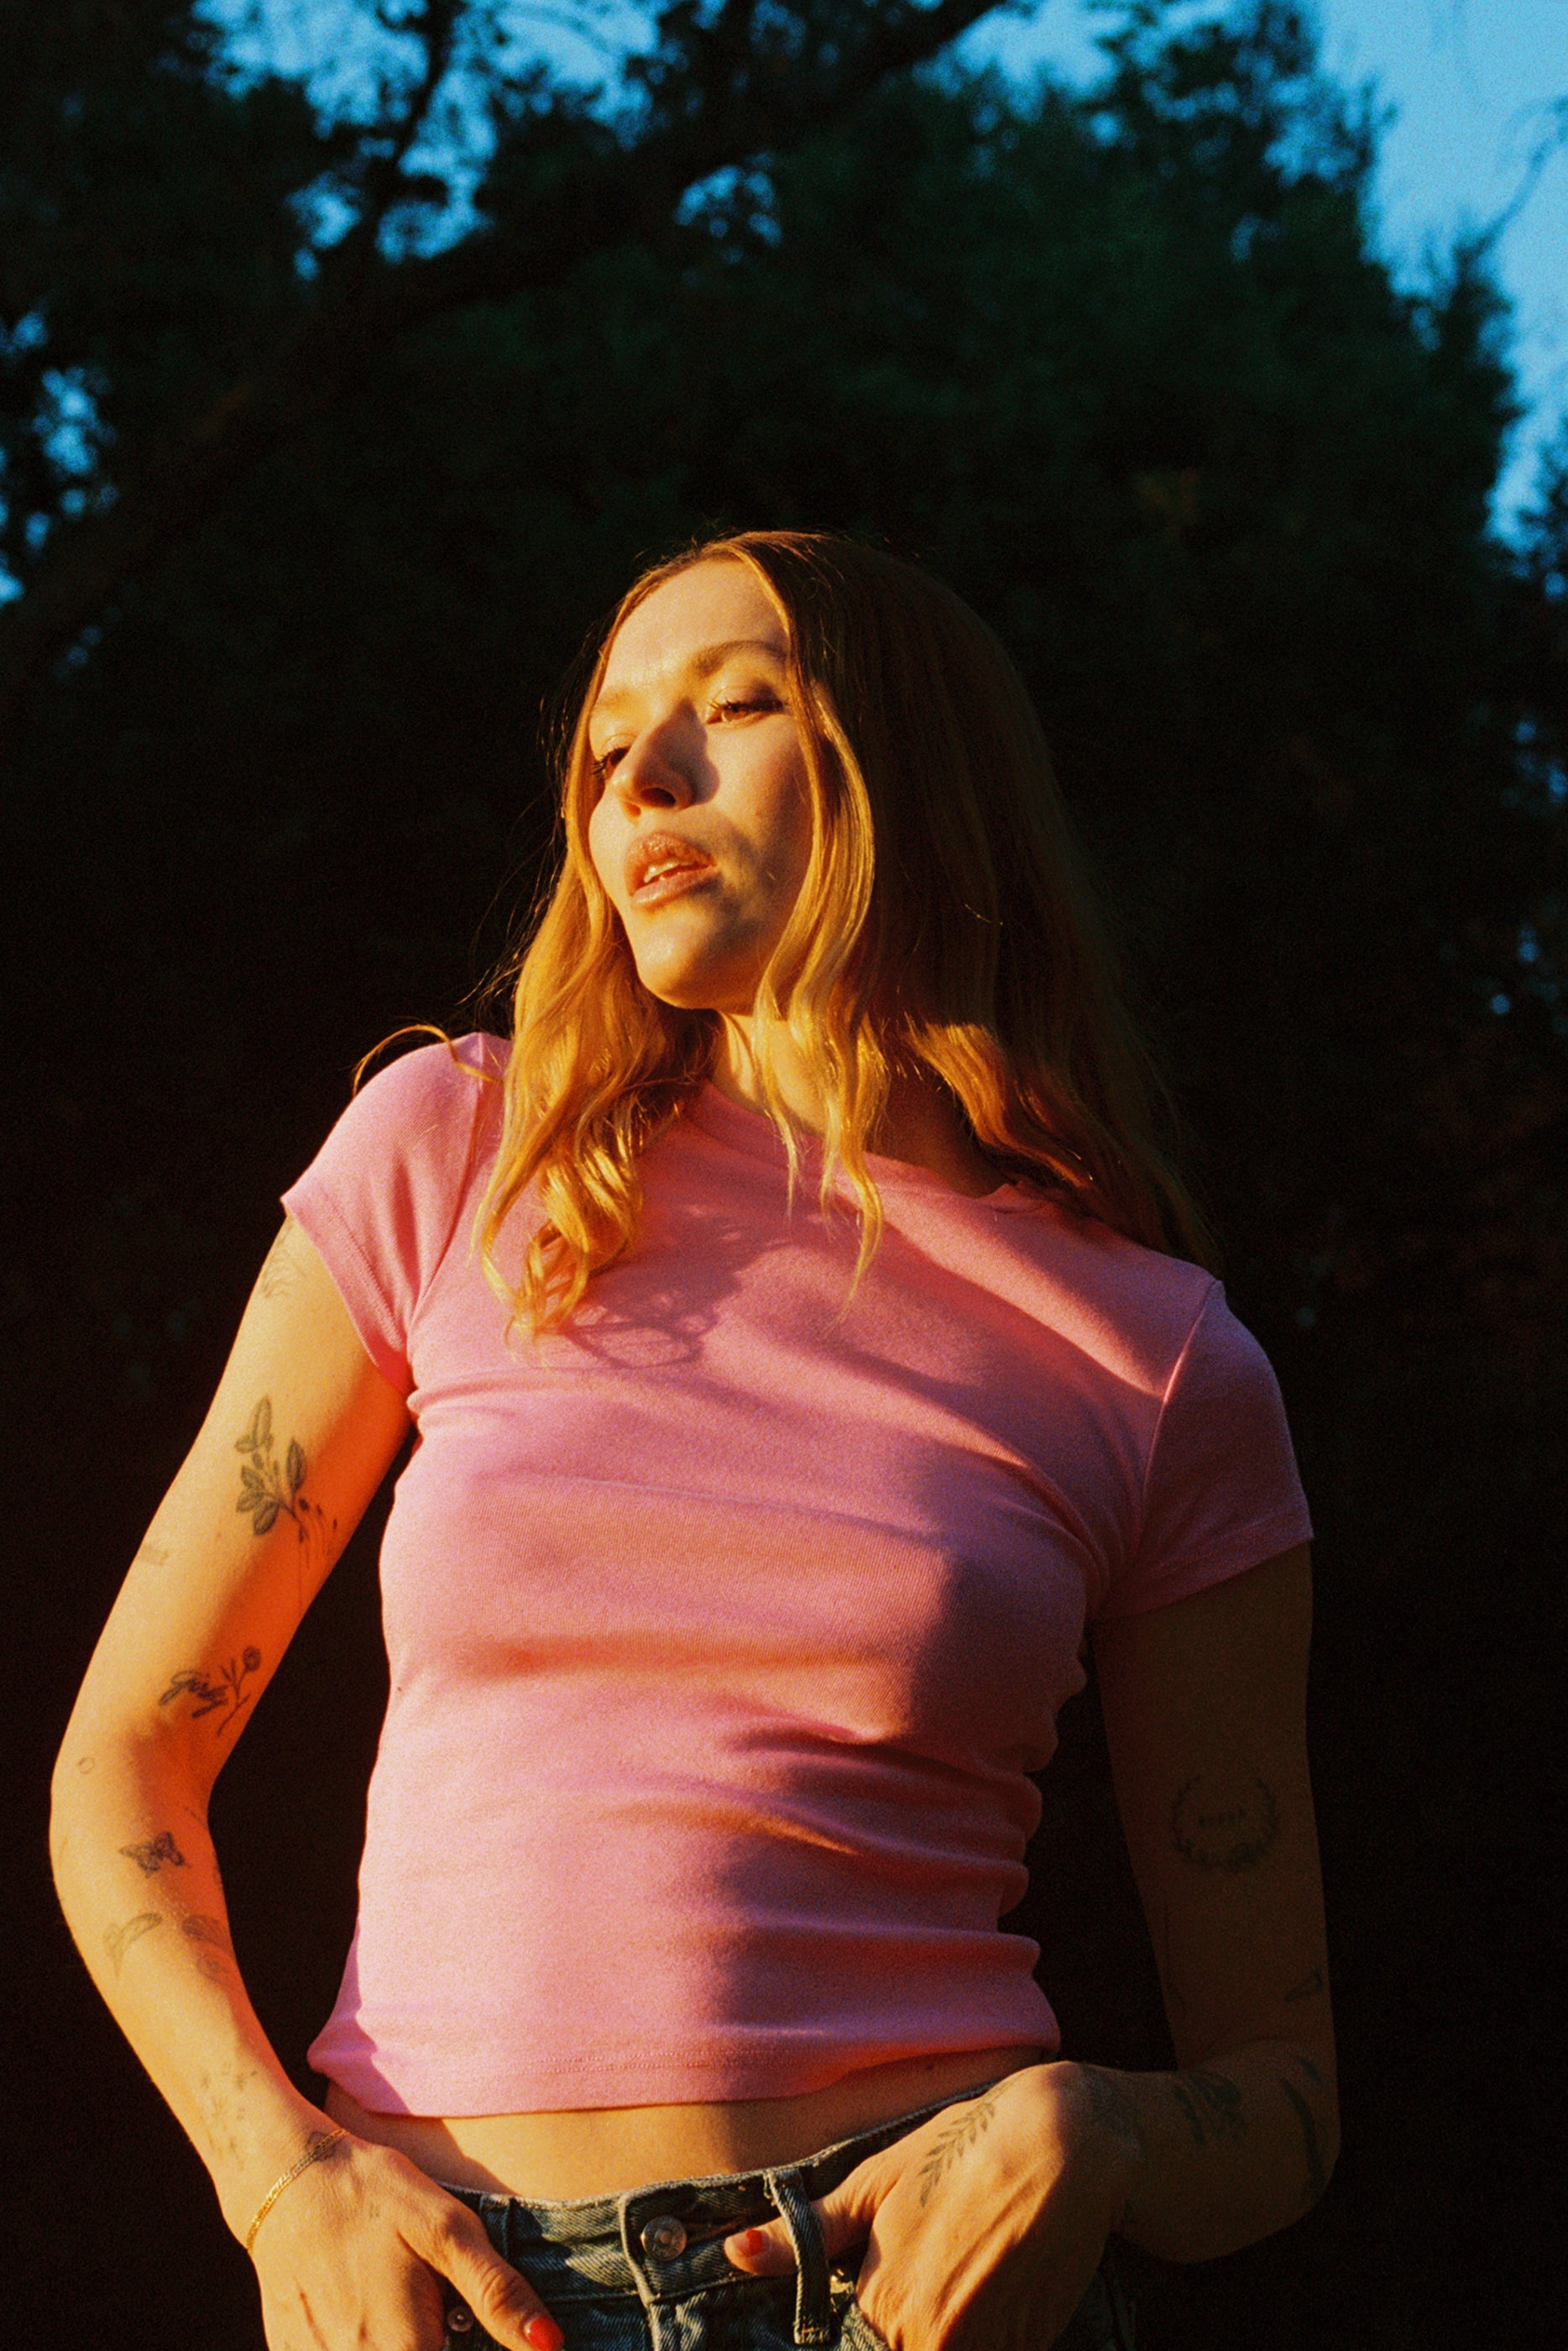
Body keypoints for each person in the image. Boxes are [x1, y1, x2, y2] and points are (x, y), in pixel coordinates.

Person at [50, 531, 1336, 2351]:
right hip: (440, 2294)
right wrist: (280, 2174)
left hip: (901, 2292)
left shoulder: (1159, 1359)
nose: (639, 777)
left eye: (733, 706)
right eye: (603, 747)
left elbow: (1283, 2093)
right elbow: (122, 1760)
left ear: (911, 766)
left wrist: (1106, 2130)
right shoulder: (456, 1152)